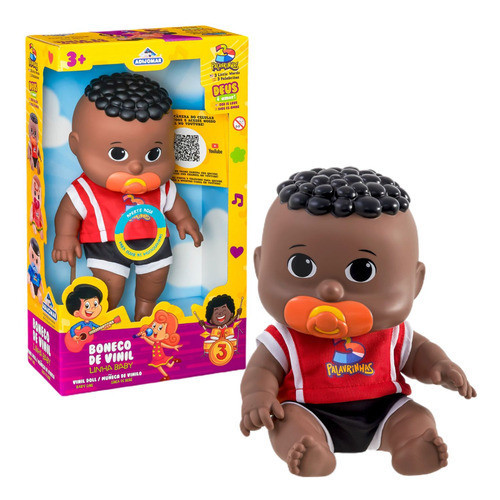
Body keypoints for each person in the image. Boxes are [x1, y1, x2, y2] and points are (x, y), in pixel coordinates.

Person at [240, 167, 476, 477]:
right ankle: (310, 449)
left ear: (415, 282)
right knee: (286, 422)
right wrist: (257, 397)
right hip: (308, 410)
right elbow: (261, 371)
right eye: (302, 266)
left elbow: (419, 352)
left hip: (385, 409)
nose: (330, 291)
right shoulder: (285, 338)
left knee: (416, 416)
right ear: (260, 266)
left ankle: (411, 444)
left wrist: (439, 366)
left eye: (362, 272)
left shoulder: (393, 334)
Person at [52, 73, 203, 320]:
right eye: (118, 154)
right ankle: (107, 319)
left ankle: (145, 310)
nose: (136, 167)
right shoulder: (85, 189)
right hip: (106, 246)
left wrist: (185, 220)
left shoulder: (161, 187)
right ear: (76, 145)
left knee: (155, 280)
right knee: (109, 288)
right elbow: (68, 211)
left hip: (154, 243)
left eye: (153, 154)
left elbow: (175, 203)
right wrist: (65, 237)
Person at [136, 310, 181, 380]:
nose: (155, 330)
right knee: (168, 366)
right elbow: (150, 342)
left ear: (166, 336)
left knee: (160, 366)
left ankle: (166, 376)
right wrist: (144, 337)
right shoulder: (155, 343)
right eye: (154, 326)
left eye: (160, 328)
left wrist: (173, 347)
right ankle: (173, 362)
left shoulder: (159, 343)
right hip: (157, 357)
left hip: (159, 357)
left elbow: (165, 345)